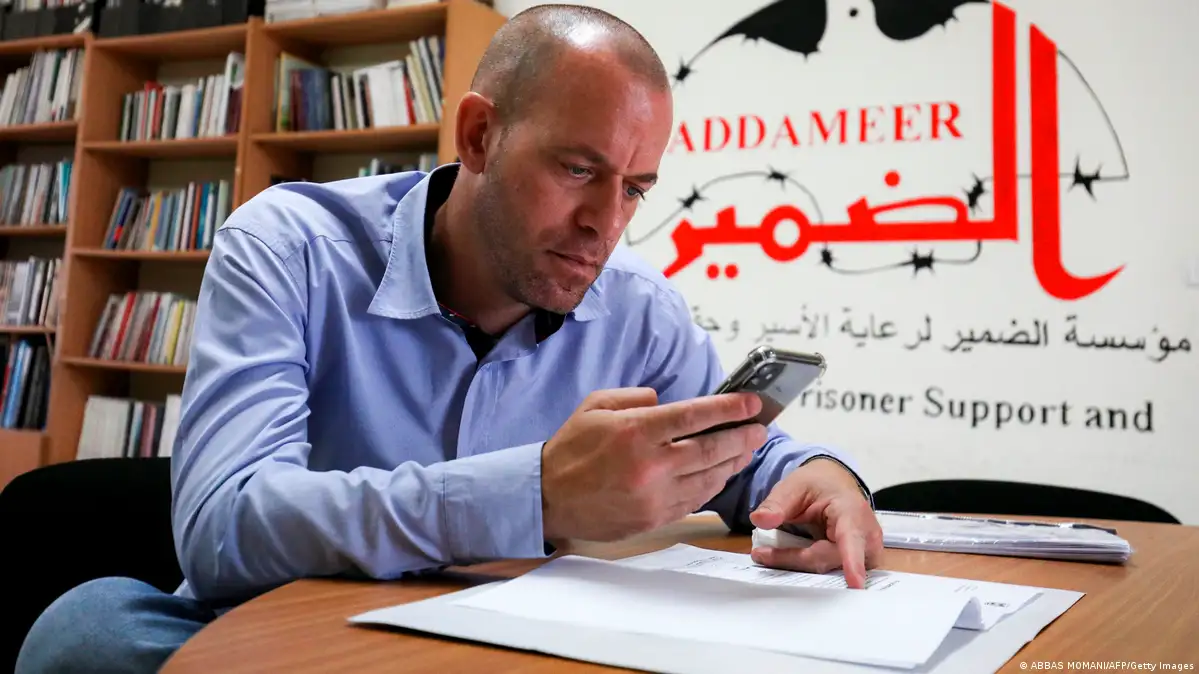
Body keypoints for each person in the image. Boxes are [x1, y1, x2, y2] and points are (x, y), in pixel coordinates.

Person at [16, 4, 883, 672]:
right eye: (577, 169)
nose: (604, 222)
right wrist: (534, 495)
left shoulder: (639, 309)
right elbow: (224, 531)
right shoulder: (288, 247)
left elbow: (732, 452)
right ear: (478, 135)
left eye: (633, 188)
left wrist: (814, 475)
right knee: (88, 633)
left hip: (506, 640)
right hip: (291, 639)